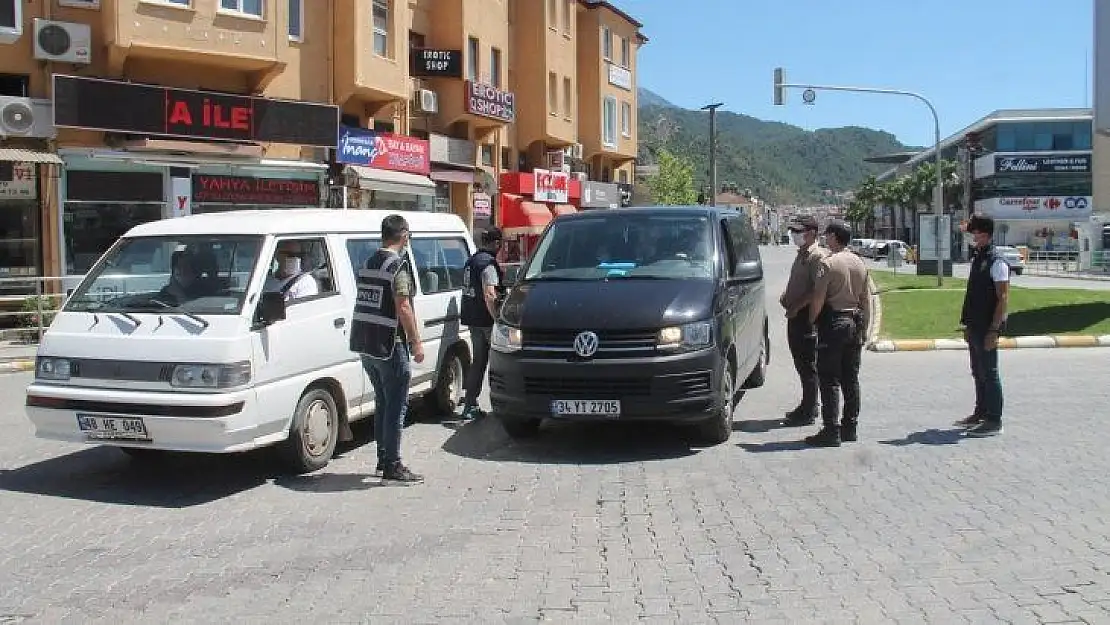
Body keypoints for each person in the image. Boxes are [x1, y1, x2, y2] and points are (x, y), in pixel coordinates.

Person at [348, 215, 425, 484]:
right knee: (396, 406)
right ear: (403, 236)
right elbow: (402, 305)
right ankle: (392, 464)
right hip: (390, 345)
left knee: (382, 402)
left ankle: (383, 458)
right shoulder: (398, 266)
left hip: (367, 344)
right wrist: (416, 342)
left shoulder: (368, 262)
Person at [805, 220, 870, 448]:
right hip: (855, 322)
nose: (826, 239)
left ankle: (831, 430)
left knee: (829, 377)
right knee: (850, 378)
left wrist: (812, 320)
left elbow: (819, 298)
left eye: (827, 236)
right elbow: (866, 300)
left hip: (834, 323)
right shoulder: (859, 263)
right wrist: (865, 329)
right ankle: (850, 427)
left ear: (833, 237)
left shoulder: (829, 264)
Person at [954, 215, 1009, 437]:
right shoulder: (980, 256)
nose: (972, 236)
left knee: (990, 373)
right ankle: (981, 412)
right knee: (978, 372)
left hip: (988, 327)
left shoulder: (997, 260)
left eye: (974, 232)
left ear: (983, 233)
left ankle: (994, 420)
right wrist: (967, 325)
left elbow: (1003, 297)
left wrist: (994, 330)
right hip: (975, 325)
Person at [779, 215, 828, 427]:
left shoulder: (817, 256)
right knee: (801, 363)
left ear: (812, 233)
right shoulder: (802, 254)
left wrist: (796, 307)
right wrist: (786, 297)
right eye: (794, 231)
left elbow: (815, 291)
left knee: (807, 365)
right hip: (794, 315)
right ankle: (808, 405)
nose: (794, 235)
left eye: (799, 232)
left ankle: (809, 409)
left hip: (805, 318)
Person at [458, 227, 505, 421]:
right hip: (487, 320)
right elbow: (489, 294)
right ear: (496, 244)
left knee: (478, 361)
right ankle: (503, 404)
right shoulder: (488, 264)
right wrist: (498, 320)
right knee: (499, 363)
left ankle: (470, 403)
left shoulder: (471, 260)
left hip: (472, 318)